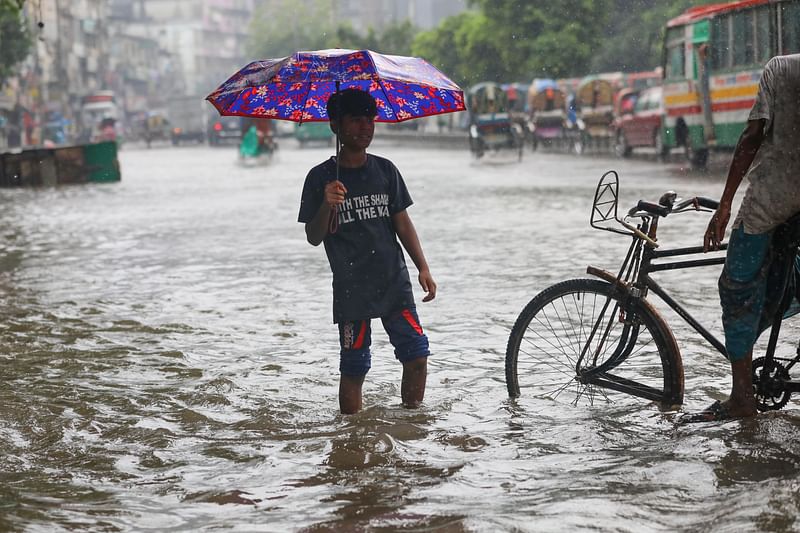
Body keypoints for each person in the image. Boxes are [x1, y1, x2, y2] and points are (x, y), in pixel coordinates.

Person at [297, 88, 437, 415]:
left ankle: (412, 423)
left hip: (394, 282)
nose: (365, 127)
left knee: (416, 356)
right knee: (355, 367)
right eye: (356, 120)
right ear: (335, 126)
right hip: (352, 289)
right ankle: (351, 435)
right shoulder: (320, 179)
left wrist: (423, 267)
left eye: (369, 120)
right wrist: (326, 205)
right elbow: (313, 237)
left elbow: (402, 223)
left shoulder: (386, 171)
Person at [690, 53, 800, 422]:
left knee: (736, 287)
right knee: (786, 274)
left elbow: (753, 135)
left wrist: (724, 205)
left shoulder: (781, 69)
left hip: (773, 198)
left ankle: (741, 398)